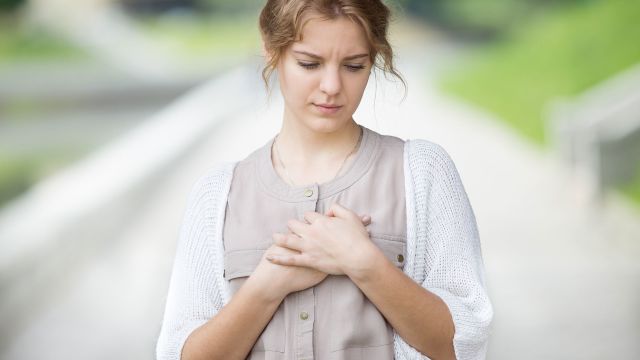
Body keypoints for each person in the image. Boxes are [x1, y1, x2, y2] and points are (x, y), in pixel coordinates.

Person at [156, 0, 493, 359]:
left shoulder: (423, 172)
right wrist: (264, 289)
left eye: (353, 66)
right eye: (309, 64)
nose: (332, 86)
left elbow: (464, 344)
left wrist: (366, 264)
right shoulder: (217, 194)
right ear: (272, 51)